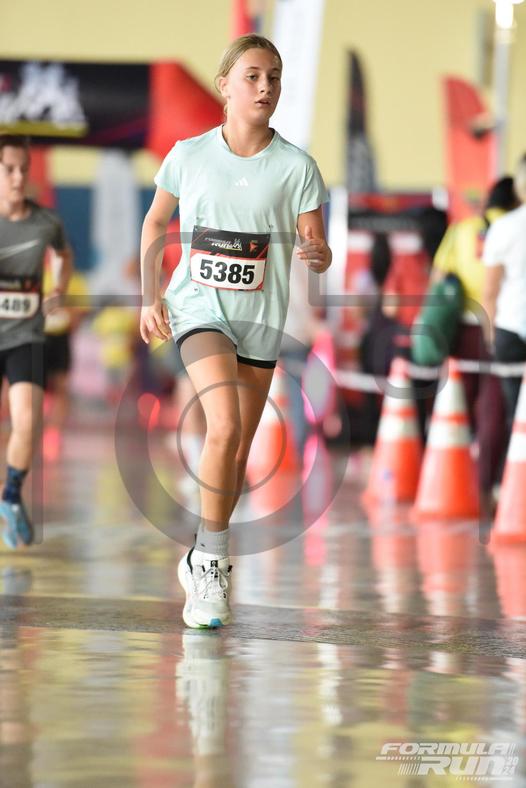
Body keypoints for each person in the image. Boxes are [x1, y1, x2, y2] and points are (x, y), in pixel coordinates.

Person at [140, 34, 331, 628]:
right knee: (221, 423)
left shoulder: (297, 167)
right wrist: (149, 296)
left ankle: (201, 550)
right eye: (252, 75)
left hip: (260, 321)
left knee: (237, 448)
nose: (265, 86)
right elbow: (155, 222)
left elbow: (316, 241)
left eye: (273, 76)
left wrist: (318, 253)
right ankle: (213, 566)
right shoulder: (188, 155)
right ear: (224, 84)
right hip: (198, 309)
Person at [0, 134, 72, 548]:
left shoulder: (47, 222)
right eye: (9, 169)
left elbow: (64, 255)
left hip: (25, 336)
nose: (17, 177)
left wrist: (59, 286)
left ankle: (11, 497)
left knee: (28, 421)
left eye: (23, 169)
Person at [432, 176, 518, 504]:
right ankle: (486, 483)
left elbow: (438, 278)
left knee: (457, 403)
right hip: (501, 327)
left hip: (463, 330)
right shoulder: (515, 227)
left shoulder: (462, 229)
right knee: (494, 407)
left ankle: (451, 479)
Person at [483, 156, 526, 435]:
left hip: (510, 326)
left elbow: (490, 290)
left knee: (517, 415)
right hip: (510, 326)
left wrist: (490, 335)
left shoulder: (504, 227)